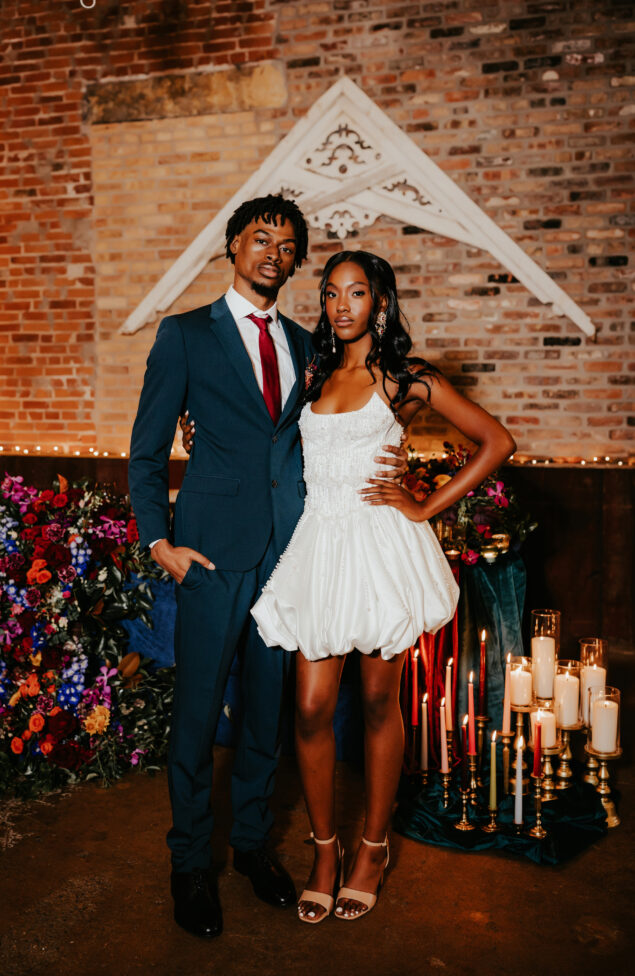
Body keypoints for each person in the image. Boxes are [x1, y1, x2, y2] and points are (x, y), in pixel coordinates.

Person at [128, 198, 407, 940]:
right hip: (211, 556)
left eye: (287, 246)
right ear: (232, 246)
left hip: (291, 556)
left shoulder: (309, 345)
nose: (272, 254)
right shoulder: (185, 334)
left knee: (265, 715)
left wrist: (399, 459)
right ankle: (191, 863)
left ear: (295, 261)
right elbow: (147, 450)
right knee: (197, 717)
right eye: (259, 240)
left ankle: (252, 844)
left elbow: (340, 426)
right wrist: (159, 543)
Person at [250, 249, 516, 924]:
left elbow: (495, 441)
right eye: (331, 293)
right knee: (310, 707)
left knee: (376, 701)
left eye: (356, 293)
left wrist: (425, 507)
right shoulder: (313, 373)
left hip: (378, 549)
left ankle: (372, 847)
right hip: (319, 547)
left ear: (380, 303)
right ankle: (325, 851)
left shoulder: (404, 378)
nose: (341, 305)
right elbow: (270, 443)